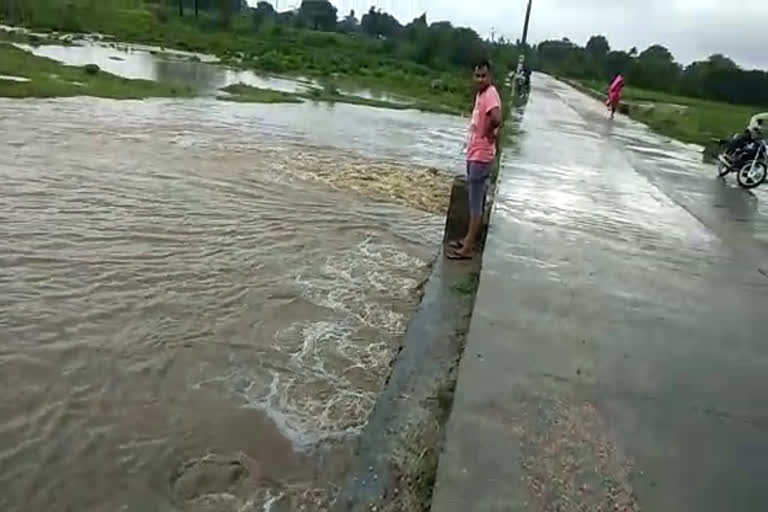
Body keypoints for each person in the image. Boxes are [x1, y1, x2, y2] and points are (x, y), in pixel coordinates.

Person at [447, 59, 502, 260]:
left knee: (475, 204)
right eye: (477, 75)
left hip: (481, 156)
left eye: (483, 75)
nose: (480, 79)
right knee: (473, 202)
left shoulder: (490, 94)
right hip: (475, 153)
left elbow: (497, 118)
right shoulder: (482, 94)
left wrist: (487, 133)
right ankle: (466, 240)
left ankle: (467, 247)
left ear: (490, 76)